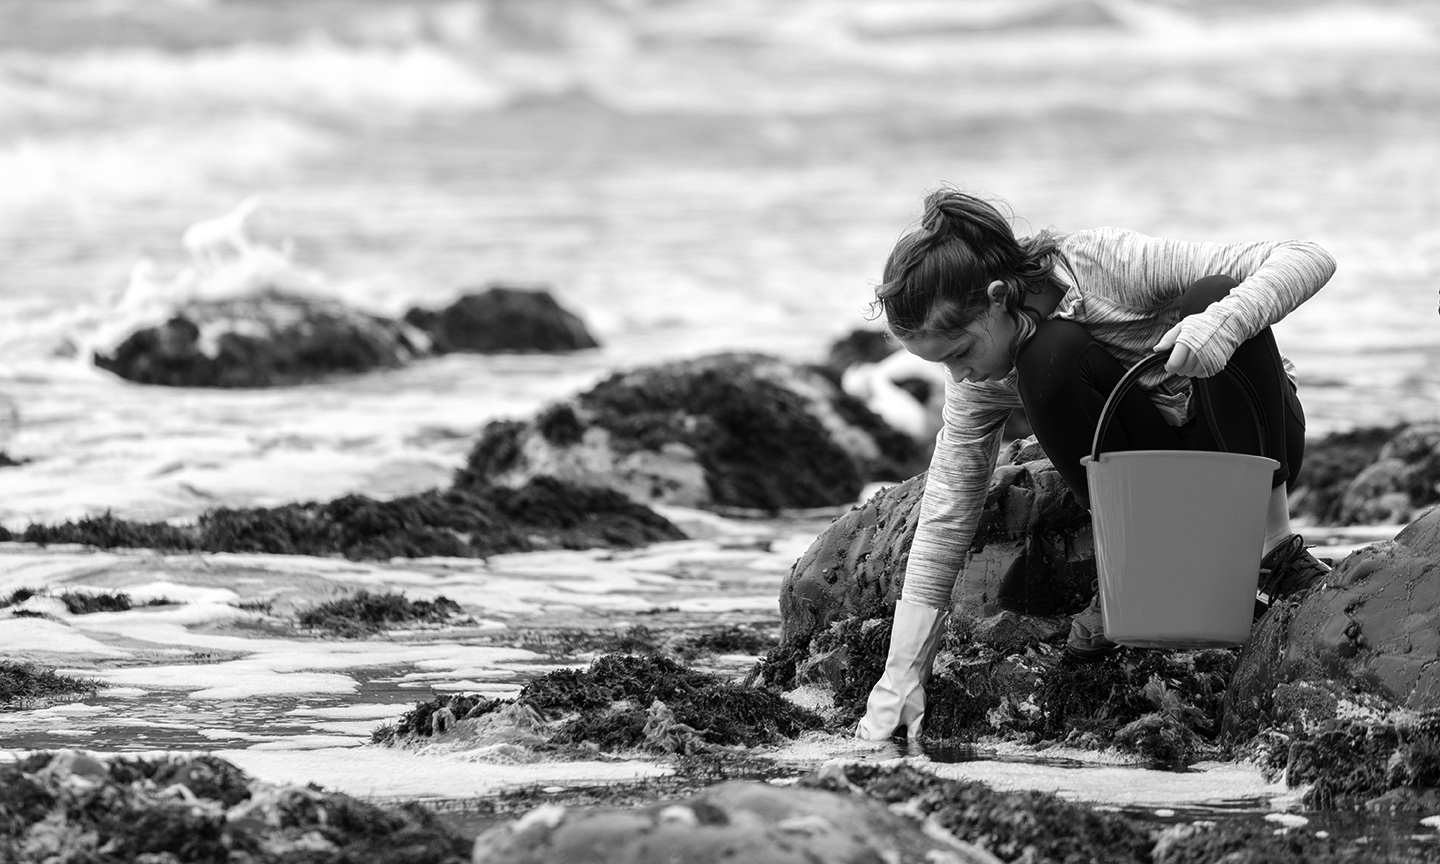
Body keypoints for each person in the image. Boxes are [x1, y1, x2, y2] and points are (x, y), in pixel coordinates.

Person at [856, 187, 1337, 742]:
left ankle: (1273, 556)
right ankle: (1136, 570)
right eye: (943, 364)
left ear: (996, 298)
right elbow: (948, 506)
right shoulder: (981, 383)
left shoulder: (1102, 264)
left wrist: (1222, 323)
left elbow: (1309, 255)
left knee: (1215, 290)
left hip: (1248, 439)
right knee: (1048, 357)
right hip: (1153, 483)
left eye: (961, 351)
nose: (960, 376)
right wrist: (902, 674)